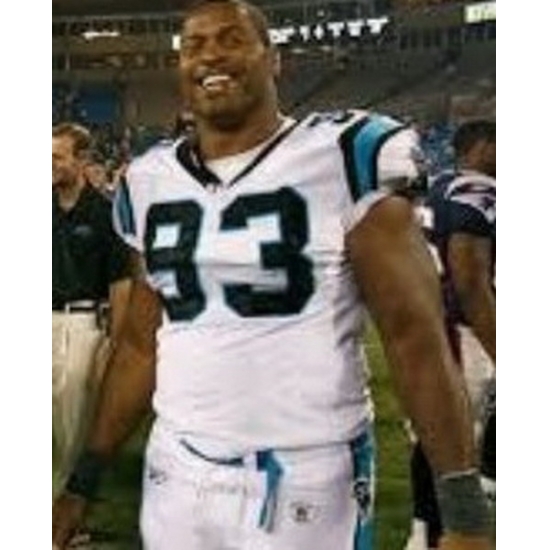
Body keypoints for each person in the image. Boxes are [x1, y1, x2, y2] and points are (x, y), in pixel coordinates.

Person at [52, 3, 493, 549]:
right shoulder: (147, 180)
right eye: (194, 45)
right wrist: (83, 480)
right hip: (176, 467)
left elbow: (414, 337)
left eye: (231, 39)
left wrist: (464, 512)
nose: (211, 55)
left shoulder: (346, 155)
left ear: (273, 58)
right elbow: (142, 345)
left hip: (309, 471)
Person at [405, 120, 496, 550]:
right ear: (483, 147)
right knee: (457, 439)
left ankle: (426, 528)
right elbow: (469, 279)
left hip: (432, 323)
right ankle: (439, 531)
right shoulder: (478, 191)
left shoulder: (439, 185)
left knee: (437, 433)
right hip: (466, 330)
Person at [52, 122, 132, 504]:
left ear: (82, 160)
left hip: (83, 323)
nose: (49, 165)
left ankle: (63, 505)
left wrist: (113, 346)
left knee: (73, 422)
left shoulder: (105, 213)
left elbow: (121, 286)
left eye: (57, 157)